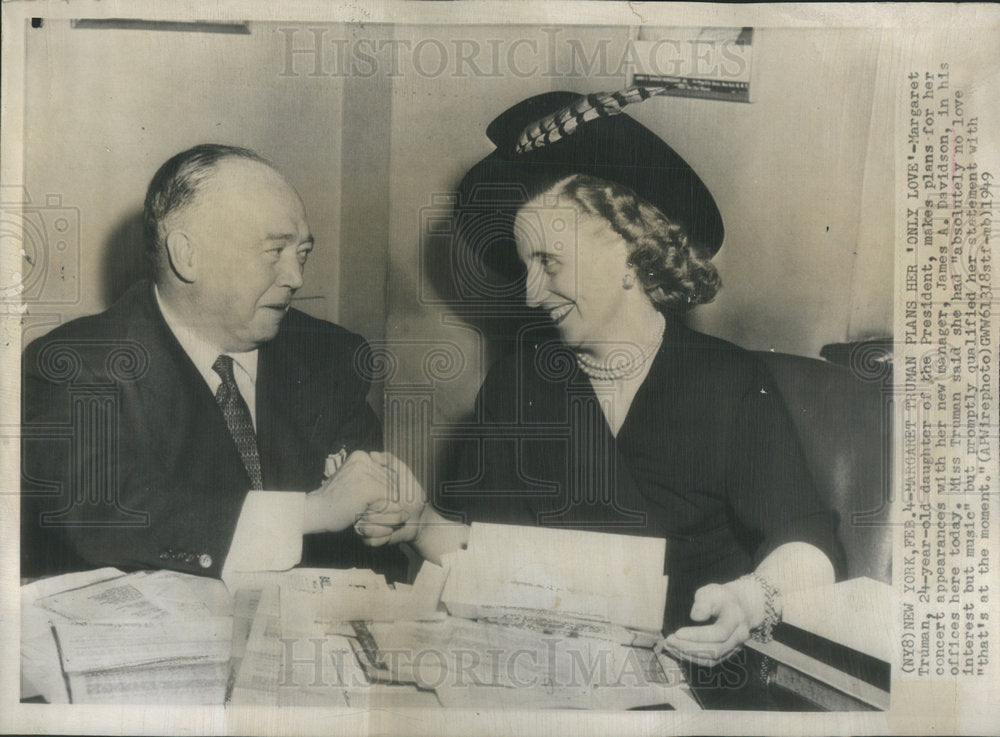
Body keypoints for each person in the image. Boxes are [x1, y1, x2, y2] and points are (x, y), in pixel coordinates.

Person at [361, 91, 848, 678]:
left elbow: (809, 544)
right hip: (544, 669)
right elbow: (486, 555)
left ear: (627, 246)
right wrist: (418, 523)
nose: (531, 294)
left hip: (690, 679)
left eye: (550, 262)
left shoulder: (729, 383)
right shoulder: (521, 380)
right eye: (524, 267)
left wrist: (749, 602)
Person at [21, 144, 421, 582]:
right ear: (187, 255)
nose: (296, 278)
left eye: (302, 253)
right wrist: (311, 512)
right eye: (274, 251)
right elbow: (106, 519)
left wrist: (381, 517)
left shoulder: (329, 354)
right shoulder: (75, 366)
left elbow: (372, 563)